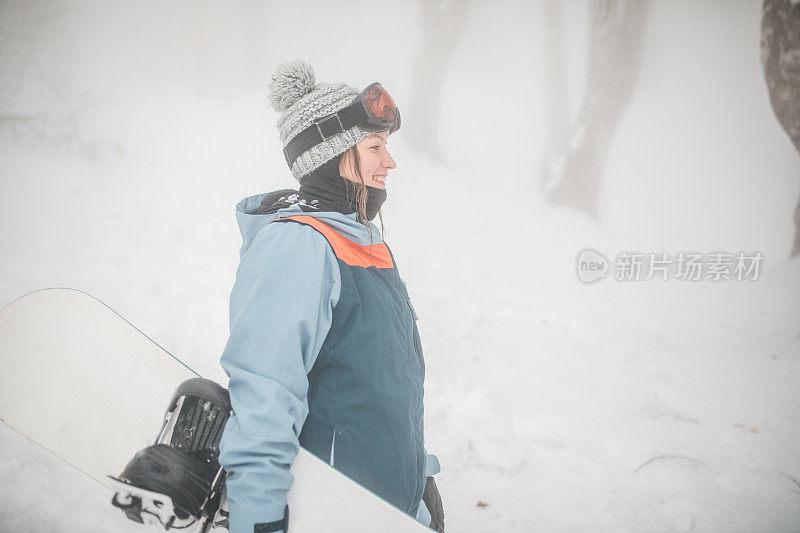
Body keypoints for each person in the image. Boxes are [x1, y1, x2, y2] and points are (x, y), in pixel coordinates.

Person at [217, 60, 444, 533]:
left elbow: (381, 381)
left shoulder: (365, 244)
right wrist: (257, 515)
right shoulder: (299, 244)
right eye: (376, 147)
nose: (391, 162)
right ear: (331, 155)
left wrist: (417, 481)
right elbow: (266, 388)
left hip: (385, 510)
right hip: (332, 510)